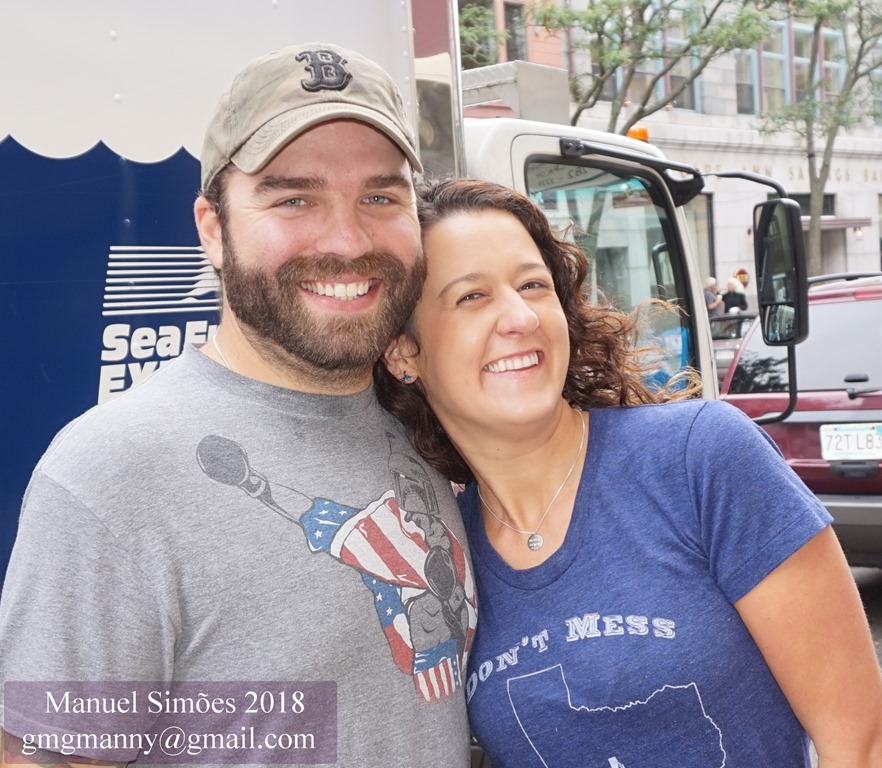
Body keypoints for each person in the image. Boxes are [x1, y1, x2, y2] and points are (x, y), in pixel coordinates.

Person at [0, 44, 476, 767]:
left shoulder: (431, 426)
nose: (348, 240)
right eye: (294, 198)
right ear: (213, 229)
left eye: (380, 197)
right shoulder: (113, 474)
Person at [375, 178, 882, 767]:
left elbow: (861, 742)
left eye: (533, 285)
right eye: (472, 296)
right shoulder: (441, 554)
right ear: (404, 352)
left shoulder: (700, 458)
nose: (519, 316)